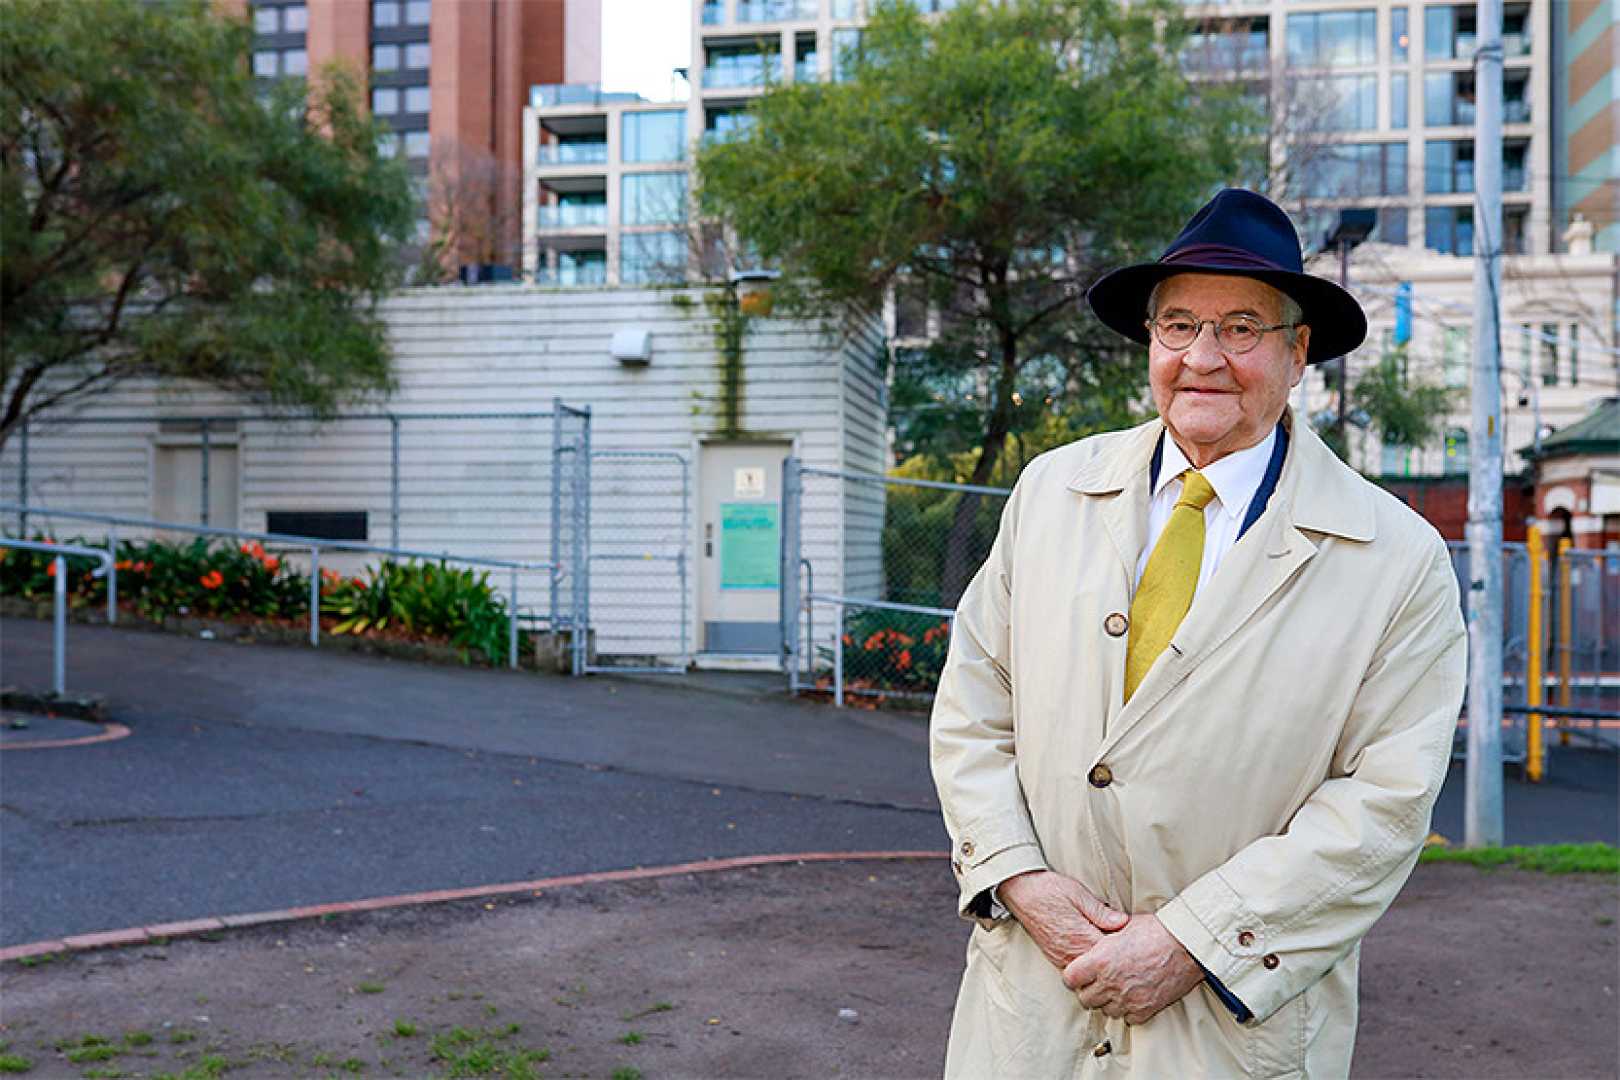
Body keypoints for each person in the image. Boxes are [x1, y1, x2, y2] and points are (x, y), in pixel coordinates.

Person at [929, 188, 1467, 1078]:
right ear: (1150, 340)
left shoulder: (1395, 558)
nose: (1203, 358)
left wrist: (1191, 940)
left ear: (1299, 354)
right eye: (1178, 326)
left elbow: (1384, 802)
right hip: (1032, 1006)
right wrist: (1020, 878)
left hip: (1228, 1025)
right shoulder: (1051, 494)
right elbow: (973, 711)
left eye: (1241, 329)